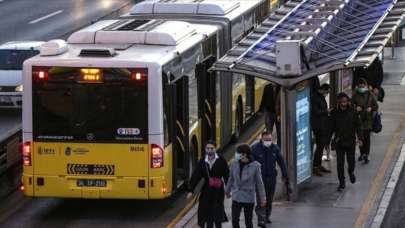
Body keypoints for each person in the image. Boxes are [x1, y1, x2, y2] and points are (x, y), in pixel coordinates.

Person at [188, 140, 229, 228]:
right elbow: (196, 176)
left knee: (218, 214)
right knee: (207, 214)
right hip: (206, 190)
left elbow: (227, 175)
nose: (209, 150)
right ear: (205, 149)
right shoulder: (202, 161)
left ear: (215, 148)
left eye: (211, 148)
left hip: (218, 191)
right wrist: (191, 190)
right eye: (207, 148)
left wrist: (228, 190)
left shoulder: (221, 160)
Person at [251, 131, 288, 226]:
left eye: (270, 139)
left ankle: (267, 216)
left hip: (271, 178)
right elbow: (250, 164)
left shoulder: (275, 148)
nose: (268, 141)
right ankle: (261, 218)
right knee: (261, 199)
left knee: (269, 199)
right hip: (259, 179)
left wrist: (285, 175)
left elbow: (281, 162)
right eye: (266, 139)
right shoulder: (255, 149)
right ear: (262, 139)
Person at [225, 144, 266, 228]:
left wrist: (263, 198)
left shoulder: (255, 166)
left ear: (245, 154)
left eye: (238, 153)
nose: (237, 155)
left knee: (248, 222)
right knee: (235, 220)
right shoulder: (234, 163)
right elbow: (231, 178)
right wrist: (227, 191)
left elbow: (259, 183)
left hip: (248, 197)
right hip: (236, 196)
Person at [329, 93, 364, 191]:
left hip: (350, 141)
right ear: (339, 102)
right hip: (339, 141)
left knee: (351, 161)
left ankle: (351, 172)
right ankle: (342, 182)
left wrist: (360, 138)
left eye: (345, 102)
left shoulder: (353, 112)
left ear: (348, 102)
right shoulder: (334, 113)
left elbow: (358, 126)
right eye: (342, 102)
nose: (343, 104)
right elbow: (330, 128)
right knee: (340, 163)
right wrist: (327, 141)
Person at [352, 78, 378, 164]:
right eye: (359, 86)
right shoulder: (355, 95)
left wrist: (371, 108)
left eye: (362, 86)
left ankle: (366, 154)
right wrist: (356, 108)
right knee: (360, 137)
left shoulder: (370, 94)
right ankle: (362, 153)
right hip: (359, 119)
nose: (361, 87)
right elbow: (351, 105)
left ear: (365, 85)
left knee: (367, 138)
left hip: (368, 120)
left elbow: (376, 106)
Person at [311, 83, 332, 176]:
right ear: (323, 89)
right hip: (317, 125)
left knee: (321, 145)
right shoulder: (315, 97)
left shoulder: (320, 97)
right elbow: (315, 111)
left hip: (322, 124)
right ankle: (315, 166)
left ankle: (318, 165)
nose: (327, 94)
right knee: (320, 145)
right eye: (327, 92)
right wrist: (326, 111)